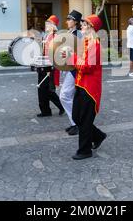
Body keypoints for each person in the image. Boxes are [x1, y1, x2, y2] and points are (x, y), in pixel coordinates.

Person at [70, 14, 106, 160]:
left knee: (84, 120)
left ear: (91, 28)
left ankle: (84, 150)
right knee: (76, 117)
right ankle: (98, 136)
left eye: (84, 25)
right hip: (80, 84)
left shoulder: (95, 45)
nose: (81, 26)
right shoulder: (84, 42)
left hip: (89, 88)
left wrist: (71, 57)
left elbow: (86, 67)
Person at [36, 15, 65, 117]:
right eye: (46, 23)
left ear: (53, 26)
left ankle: (57, 108)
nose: (46, 25)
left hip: (49, 67)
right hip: (43, 65)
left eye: (48, 24)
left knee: (46, 90)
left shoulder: (55, 37)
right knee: (42, 89)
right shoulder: (46, 35)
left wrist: (51, 68)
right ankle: (46, 110)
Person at [59, 10, 82, 136]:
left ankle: (76, 123)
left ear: (76, 22)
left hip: (74, 69)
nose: (67, 21)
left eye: (69, 19)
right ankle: (74, 123)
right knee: (69, 96)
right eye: (67, 19)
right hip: (67, 68)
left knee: (64, 95)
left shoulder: (78, 34)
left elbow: (79, 52)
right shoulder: (69, 33)